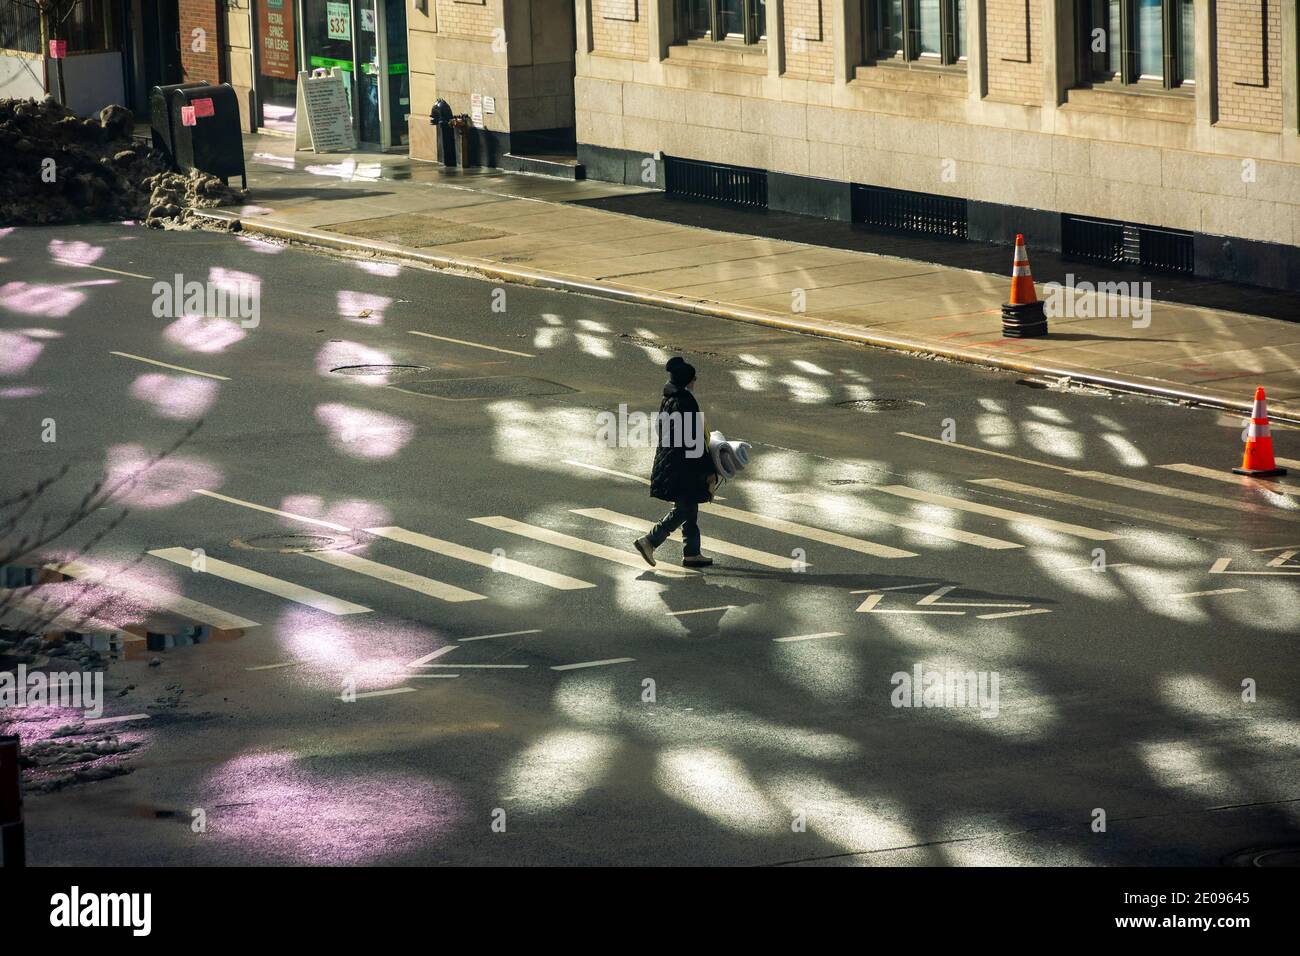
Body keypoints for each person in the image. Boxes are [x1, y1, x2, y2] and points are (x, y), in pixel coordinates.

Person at [634, 357, 717, 568]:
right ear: (687, 381)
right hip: (684, 466)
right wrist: (708, 469)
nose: (695, 381)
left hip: (672, 461)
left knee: (689, 505)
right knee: (685, 509)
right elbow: (694, 440)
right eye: (693, 378)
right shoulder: (686, 401)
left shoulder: (669, 399)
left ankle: (692, 553)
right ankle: (650, 541)